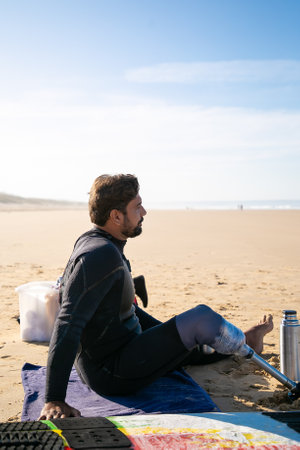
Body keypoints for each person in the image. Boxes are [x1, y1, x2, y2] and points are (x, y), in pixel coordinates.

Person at [39, 174, 273, 420]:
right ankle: (251, 350)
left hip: (119, 354)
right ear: (116, 216)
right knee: (201, 319)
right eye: (137, 206)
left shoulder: (99, 242)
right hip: (112, 372)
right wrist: (53, 398)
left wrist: (169, 337)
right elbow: (68, 323)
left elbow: (124, 310)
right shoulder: (99, 256)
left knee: (184, 338)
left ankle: (244, 341)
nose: (144, 212)